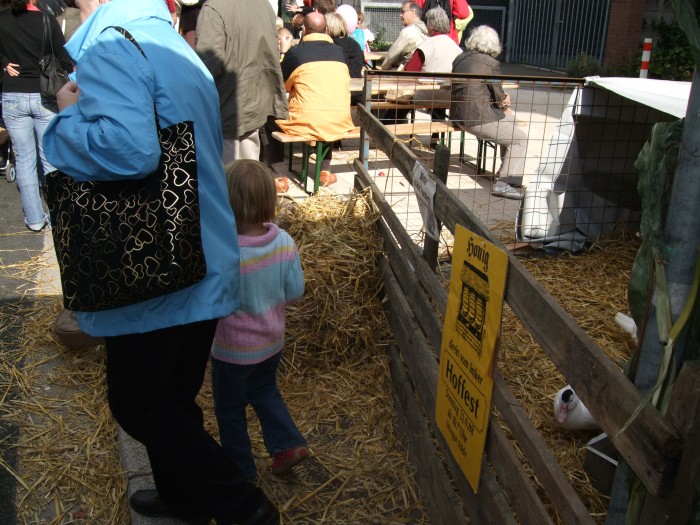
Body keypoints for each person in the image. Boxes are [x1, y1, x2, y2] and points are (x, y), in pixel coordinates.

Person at [42, 1, 280, 523]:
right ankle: (184, 499)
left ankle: (245, 510)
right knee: (172, 398)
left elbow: (130, 150)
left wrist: (65, 120)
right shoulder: (167, 40)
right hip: (196, 248)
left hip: (152, 264)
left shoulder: (113, 45)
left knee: (140, 403)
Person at [212, 159, 308, 482]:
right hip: (271, 343)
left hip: (231, 351)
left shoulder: (223, 250)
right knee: (265, 391)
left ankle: (241, 471)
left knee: (229, 409)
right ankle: (287, 445)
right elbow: (295, 291)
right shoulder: (284, 242)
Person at [0, 0, 73, 231]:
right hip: (45, 94)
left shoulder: (2, 19)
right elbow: (64, 58)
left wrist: (4, 62)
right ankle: (56, 216)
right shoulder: (45, 19)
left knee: (24, 159)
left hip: (13, 95)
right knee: (49, 157)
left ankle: (34, 219)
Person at [263, 11, 354, 186]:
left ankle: (278, 176)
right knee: (326, 113)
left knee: (268, 119)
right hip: (339, 119)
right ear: (326, 30)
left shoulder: (296, 53)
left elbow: (280, 84)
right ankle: (324, 171)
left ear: (303, 30)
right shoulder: (339, 52)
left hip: (308, 120)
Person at [196, 0, 288, 163]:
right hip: (254, 101)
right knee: (247, 168)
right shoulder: (263, 5)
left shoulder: (214, 8)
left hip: (227, 106)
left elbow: (207, 65)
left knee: (229, 171)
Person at [451, 25, 527, 200]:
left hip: (458, 115)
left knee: (512, 120)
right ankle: (504, 184)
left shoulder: (460, 58)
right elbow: (498, 96)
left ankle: (507, 173)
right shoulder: (491, 63)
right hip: (477, 117)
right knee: (520, 139)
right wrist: (505, 99)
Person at [404, 7, 462, 148]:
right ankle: (435, 139)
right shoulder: (456, 48)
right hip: (449, 96)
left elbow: (409, 71)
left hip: (425, 95)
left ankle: (386, 130)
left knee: (399, 102)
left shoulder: (427, 45)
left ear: (430, 25)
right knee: (439, 98)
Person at [381, 1, 427, 71]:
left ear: (413, 13)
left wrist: (383, 69)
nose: (400, 15)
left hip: (407, 73)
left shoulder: (408, 31)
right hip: (424, 72)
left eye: (403, 12)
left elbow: (391, 57)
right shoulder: (428, 30)